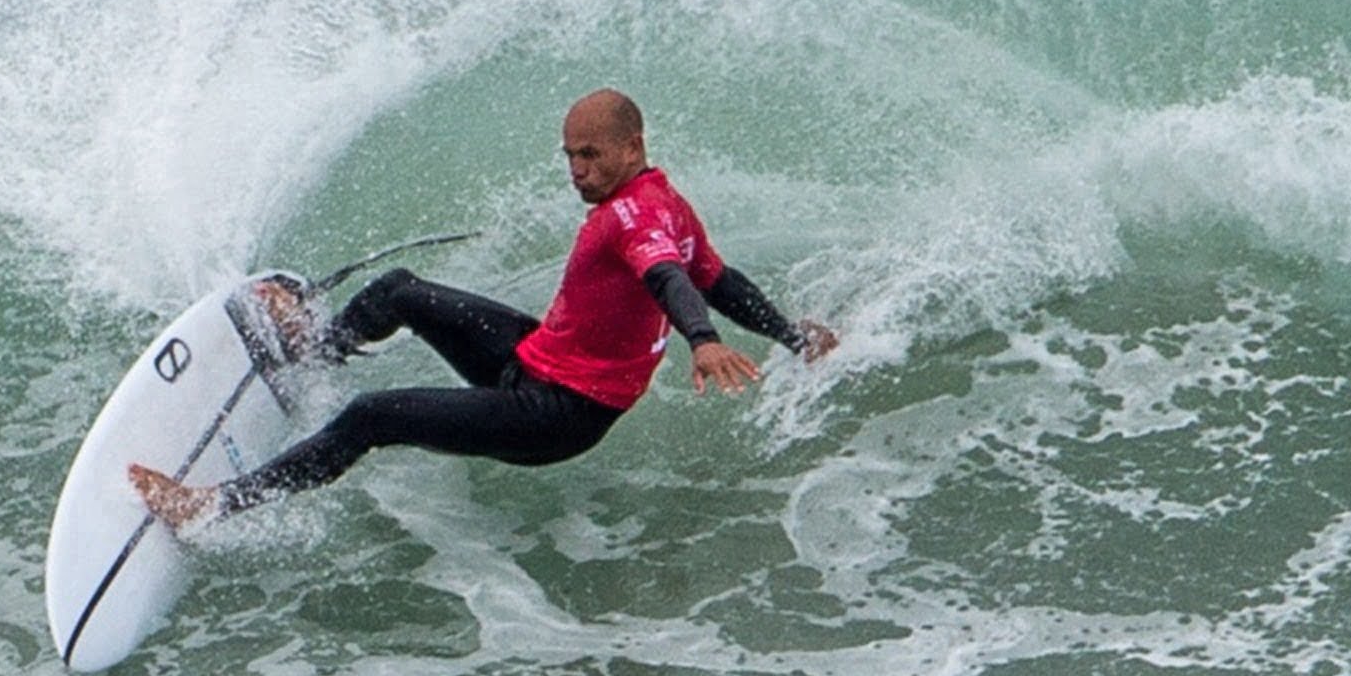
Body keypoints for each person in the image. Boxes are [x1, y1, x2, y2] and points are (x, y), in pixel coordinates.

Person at [130, 88, 836, 528]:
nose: (577, 171)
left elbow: (676, 284)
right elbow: (718, 274)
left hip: (558, 415)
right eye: (568, 156)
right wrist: (790, 335)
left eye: (591, 155)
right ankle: (317, 349)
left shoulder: (639, 221)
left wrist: (703, 340)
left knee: (372, 418)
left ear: (633, 146)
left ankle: (211, 506)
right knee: (399, 290)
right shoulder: (665, 207)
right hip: (536, 363)